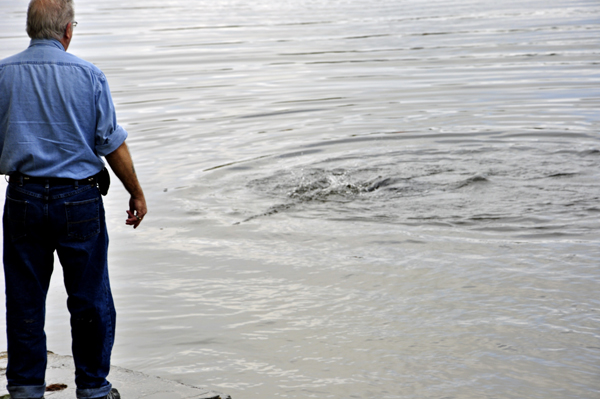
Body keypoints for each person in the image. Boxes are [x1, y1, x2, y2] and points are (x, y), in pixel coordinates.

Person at [0, 0, 147, 398]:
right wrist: (136, 192)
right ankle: (94, 390)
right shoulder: (89, 75)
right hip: (78, 200)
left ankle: (26, 391)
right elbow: (110, 143)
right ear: (67, 30)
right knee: (90, 298)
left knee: (24, 298)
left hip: (22, 197)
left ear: (31, 29)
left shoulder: (2, 74)